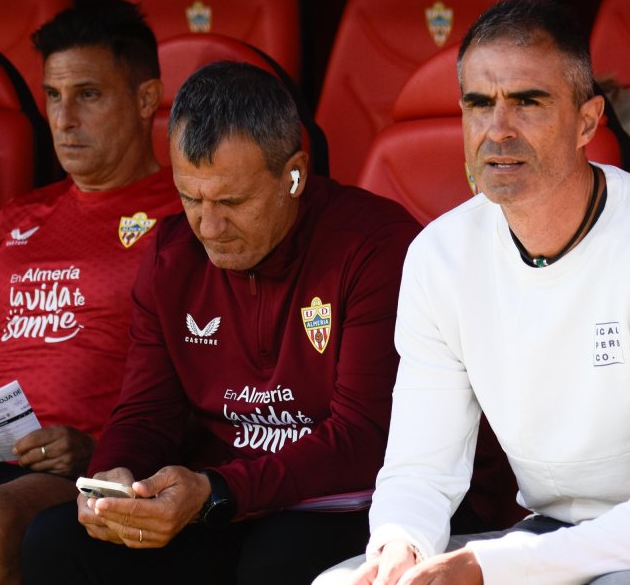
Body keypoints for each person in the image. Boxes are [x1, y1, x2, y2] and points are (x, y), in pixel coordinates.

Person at [318, 0, 630, 585]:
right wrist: (400, 545)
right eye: (478, 104)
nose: (498, 130)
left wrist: (494, 567)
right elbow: (421, 466)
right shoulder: (438, 257)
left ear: (589, 121)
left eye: (528, 102)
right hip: (554, 532)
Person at [21, 61, 421, 585]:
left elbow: (362, 437)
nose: (209, 227)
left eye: (232, 201)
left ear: (294, 173)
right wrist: (110, 485)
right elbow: (145, 412)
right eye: (191, 198)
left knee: (276, 564)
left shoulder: (375, 246)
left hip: (342, 501)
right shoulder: (171, 255)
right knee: (57, 542)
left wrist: (215, 490)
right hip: (221, 498)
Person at [0, 0, 180, 585]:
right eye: (52, 96)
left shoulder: (186, 215)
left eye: (88, 95)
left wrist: (96, 448)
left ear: (146, 100)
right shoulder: (17, 217)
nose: (64, 119)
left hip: (88, 465)